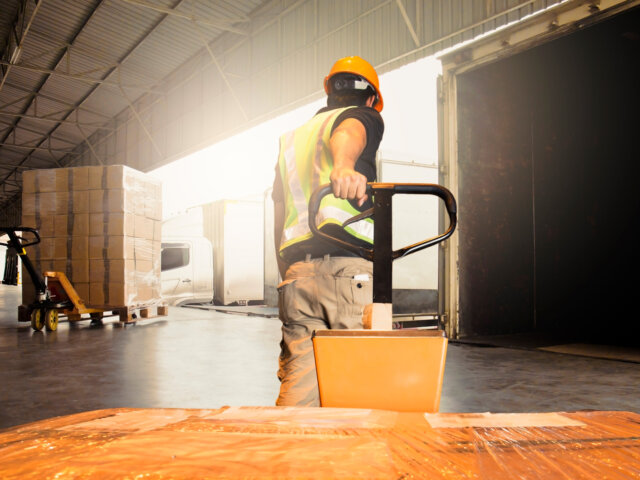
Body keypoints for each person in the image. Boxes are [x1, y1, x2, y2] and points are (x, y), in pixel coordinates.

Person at [272, 56, 384, 407]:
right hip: (348, 273)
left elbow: (278, 209)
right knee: (359, 388)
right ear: (371, 99)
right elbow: (350, 132)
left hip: (297, 275)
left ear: (329, 92)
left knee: (299, 390)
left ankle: (293, 456)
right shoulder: (363, 117)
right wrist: (344, 165)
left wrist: (287, 272)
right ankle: (358, 462)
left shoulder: (294, 138)